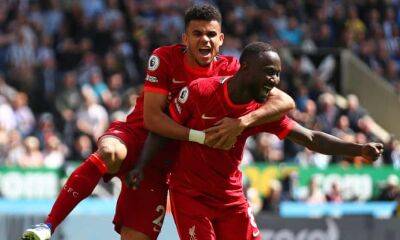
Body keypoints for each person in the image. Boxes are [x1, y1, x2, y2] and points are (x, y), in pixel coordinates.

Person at [22, 5, 295, 240]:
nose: (205, 40)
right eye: (197, 34)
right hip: (136, 136)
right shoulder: (164, 58)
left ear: (221, 39)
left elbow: (285, 102)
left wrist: (243, 122)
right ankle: (47, 225)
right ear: (184, 38)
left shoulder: (231, 69)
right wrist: (200, 137)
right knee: (110, 153)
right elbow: (152, 120)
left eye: (211, 34)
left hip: (162, 161)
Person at [127, 42, 383, 240]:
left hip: (231, 198)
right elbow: (163, 128)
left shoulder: (260, 111)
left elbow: (311, 138)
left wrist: (358, 149)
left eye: (278, 74)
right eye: (269, 72)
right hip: (191, 196)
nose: (275, 80)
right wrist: (141, 166)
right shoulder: (200, 91)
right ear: (245, 67)